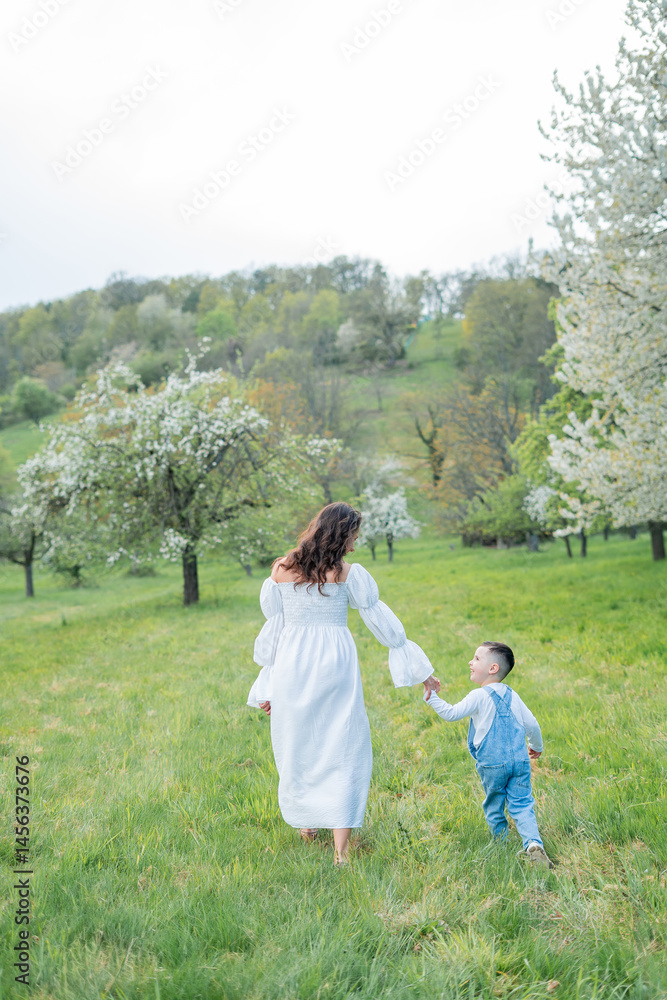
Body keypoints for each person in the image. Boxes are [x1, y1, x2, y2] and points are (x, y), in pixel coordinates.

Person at [247, 502, 440, 865]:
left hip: (292, 664)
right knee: (344, 746)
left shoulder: (281, 568)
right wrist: (421, 671)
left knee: (298, 742)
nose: (354, 544)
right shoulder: (346, 572)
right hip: (334, 663)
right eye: (352, 536)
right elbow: (383, 624)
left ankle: (308, 822)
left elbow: (274, 629)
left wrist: (267, 683)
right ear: (339, 535)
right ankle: (341, 851)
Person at [424, 641, 552, 868]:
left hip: (492, 764)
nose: (470, 662)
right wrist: (536, 746)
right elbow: (532, 724)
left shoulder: (478, 696)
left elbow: (451, 713)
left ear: (493, 668)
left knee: (494, 804)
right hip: (520, 761)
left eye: (476, 659)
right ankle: (533, 843)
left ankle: (501, 845)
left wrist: (432, 696)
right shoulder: (513, 695)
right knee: (522, 803)